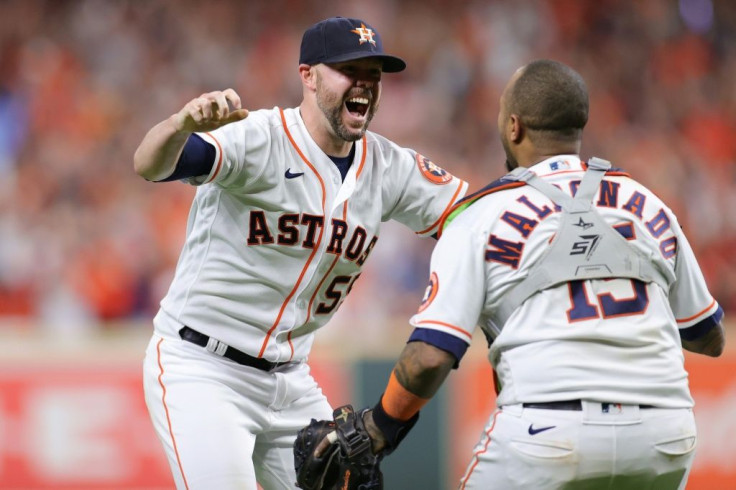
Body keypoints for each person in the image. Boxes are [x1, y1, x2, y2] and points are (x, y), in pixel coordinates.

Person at [349, 59, 726, 489]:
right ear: (578, 125)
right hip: (666, 436)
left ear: (514, 127)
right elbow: (708, 336)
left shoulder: (482, 215)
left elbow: (429, 358)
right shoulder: (648, 202)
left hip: (548, 431)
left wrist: (379, 427)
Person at [133, 16, 467, 490]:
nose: (365, 85)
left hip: (290, 381)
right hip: (201, 367)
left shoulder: (390, 166)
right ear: (307, 76)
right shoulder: (259, 137)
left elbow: (476, 217)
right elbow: (149, 164)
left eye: (374, 74)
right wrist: (178, 125)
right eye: (350, 71)